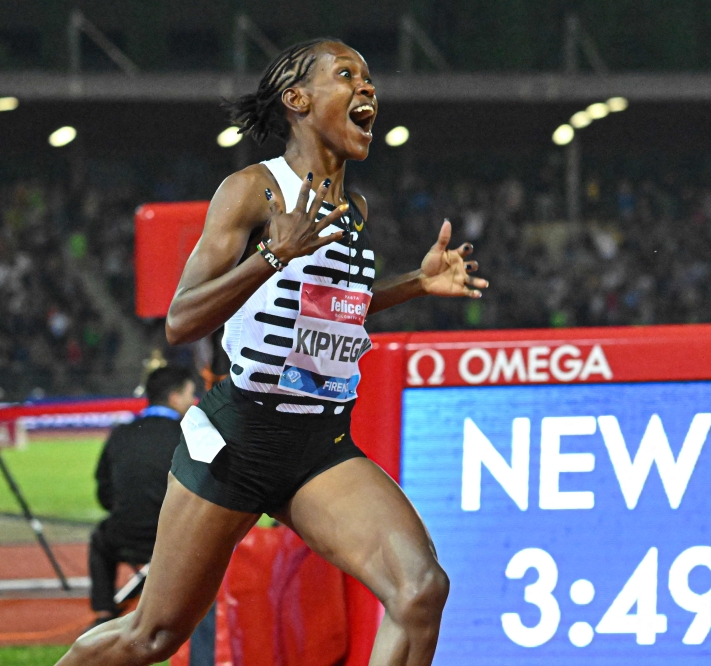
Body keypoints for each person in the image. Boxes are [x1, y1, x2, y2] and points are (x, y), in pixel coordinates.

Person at [58, 37, 486, 666]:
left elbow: (334, 311)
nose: (369, 88)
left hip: (319, 445)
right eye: (348, 75)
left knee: (421, 589)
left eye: (370, 79)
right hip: (241, 438)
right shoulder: (252, 190)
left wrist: (416, 285)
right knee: (151, 636)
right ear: (298, 99)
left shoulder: (356, 208)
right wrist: (271, 255)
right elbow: (181, 320)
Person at [89, 366, 196, 624]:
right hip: (172, 539)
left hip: (124, 533)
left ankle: (104, 613)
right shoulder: (188, 434)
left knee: (100, 540)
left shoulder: (121, 433)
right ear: (174, 397)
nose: (193, 402)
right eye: (189, 395)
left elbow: (104, 491)